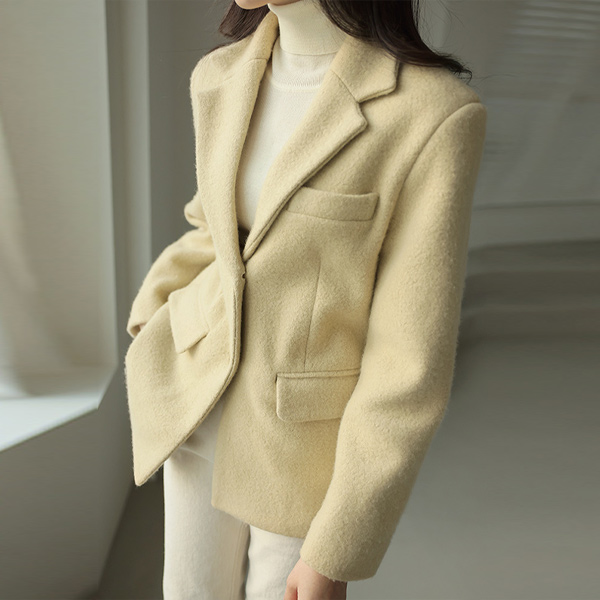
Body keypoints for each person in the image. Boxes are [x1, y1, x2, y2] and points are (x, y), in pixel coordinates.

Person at [124, 0, 488, 598]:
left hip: (301, 453)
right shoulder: (219, 76)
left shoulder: (433, 114)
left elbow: (408, 364)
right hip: (194, 402)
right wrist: (154, 318)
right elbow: (213, 229)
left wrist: (338, 548)